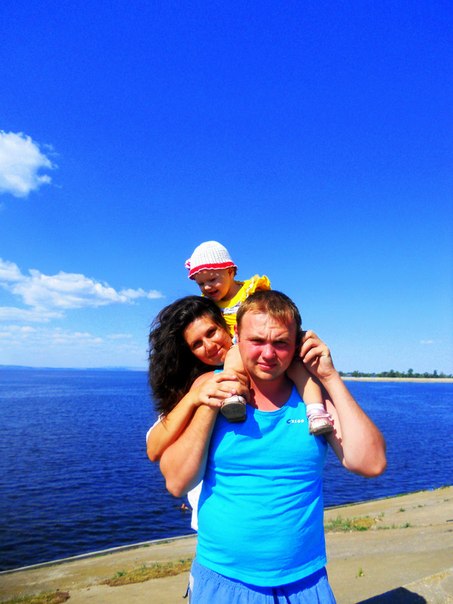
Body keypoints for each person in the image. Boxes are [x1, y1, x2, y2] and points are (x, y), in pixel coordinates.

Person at [159, 290, 387, 603]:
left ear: (297, 344)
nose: (268, 354)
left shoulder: (312, 400)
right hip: (224, 580)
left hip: (305, 581)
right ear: (237, 338)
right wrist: (212, 403)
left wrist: (330, 377)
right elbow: (176, 482)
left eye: (280, 343)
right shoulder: (209, 389)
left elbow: (371, 462)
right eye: (257, 341)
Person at [146, 295, 322, 529]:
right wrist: (193, 398)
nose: (209, 346)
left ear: (227, 326)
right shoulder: (198, 384)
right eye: (197, 344)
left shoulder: (268, 368)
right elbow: (154, 448)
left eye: (211, 332)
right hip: (213, 518)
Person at [185, 240, 334, 433]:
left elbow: (275, 310)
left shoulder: (251, 290)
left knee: (299, 370)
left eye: (212, 280)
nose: (207, 287)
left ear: (230, 272)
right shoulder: (207, 304)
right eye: (201, 284)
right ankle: (234, 396)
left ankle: (316, 412)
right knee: (233, 361)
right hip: (239, 347)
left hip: (267, 340)